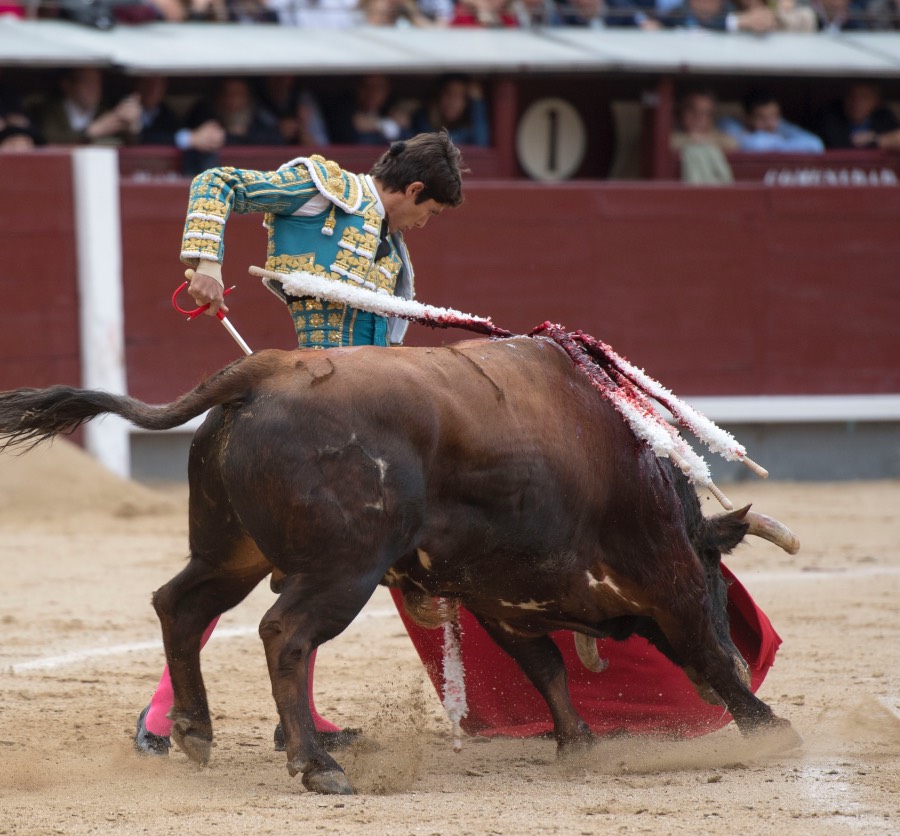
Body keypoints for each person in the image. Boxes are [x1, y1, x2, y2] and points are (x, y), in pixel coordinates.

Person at [134, 130, 466, 756]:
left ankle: (298, 716)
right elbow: (218, 183)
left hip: (356, 421)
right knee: (229, 572)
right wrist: (204, 263)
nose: (424, 224)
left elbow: (388, 355)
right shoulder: (323, 191)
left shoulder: (396, 259)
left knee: (316, 576)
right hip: (309, 401)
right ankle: (162, 712)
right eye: (429, 211)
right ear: (415, 189)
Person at [35, 67, 142, 146]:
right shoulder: (49, 110)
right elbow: (49, 144)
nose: (94, 89)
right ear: (66, 85)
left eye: (97, 83)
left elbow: (128, 145)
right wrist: (91, 132)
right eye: (87, 82)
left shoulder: (106, 110)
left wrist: (132, 129)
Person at [719, 88, 824, 153]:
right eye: (761, 118)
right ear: (747, 118)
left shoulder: (779, 125)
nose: (769, 124)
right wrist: (783, 142)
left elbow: (814, 144)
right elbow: (755, 145)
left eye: (774, 116)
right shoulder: (729, 124)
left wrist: (777, 144)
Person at [670, 89, 737, 183]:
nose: (699, 118)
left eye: (706, 113)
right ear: (681, 112)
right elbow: (668, 143)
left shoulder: (718, 136)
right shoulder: (671, 134)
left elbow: (732, 143)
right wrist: (693, 139)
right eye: (693, 111)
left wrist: (699, 140)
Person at [327, 74, 415, 145]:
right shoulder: (343, 109)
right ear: (357, 89)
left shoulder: (392, 108)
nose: (372, 93)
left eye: (378, 87)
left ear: (387, 90)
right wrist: (386, 124)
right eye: (366, 87)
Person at [814, 81, 900, 150]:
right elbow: (841, 145)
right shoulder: (830, 116)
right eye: (851, 96)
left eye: (864, 97)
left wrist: (875, 139)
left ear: (876, 101)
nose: (857, 103)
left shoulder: (884, 117)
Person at [411, 74, 491, 146]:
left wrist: (477, 103)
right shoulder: (422, 120)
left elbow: (481, 144)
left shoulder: (468, 130)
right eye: (448, 93)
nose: (452, 101)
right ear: (438, 96)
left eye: (459, 96)